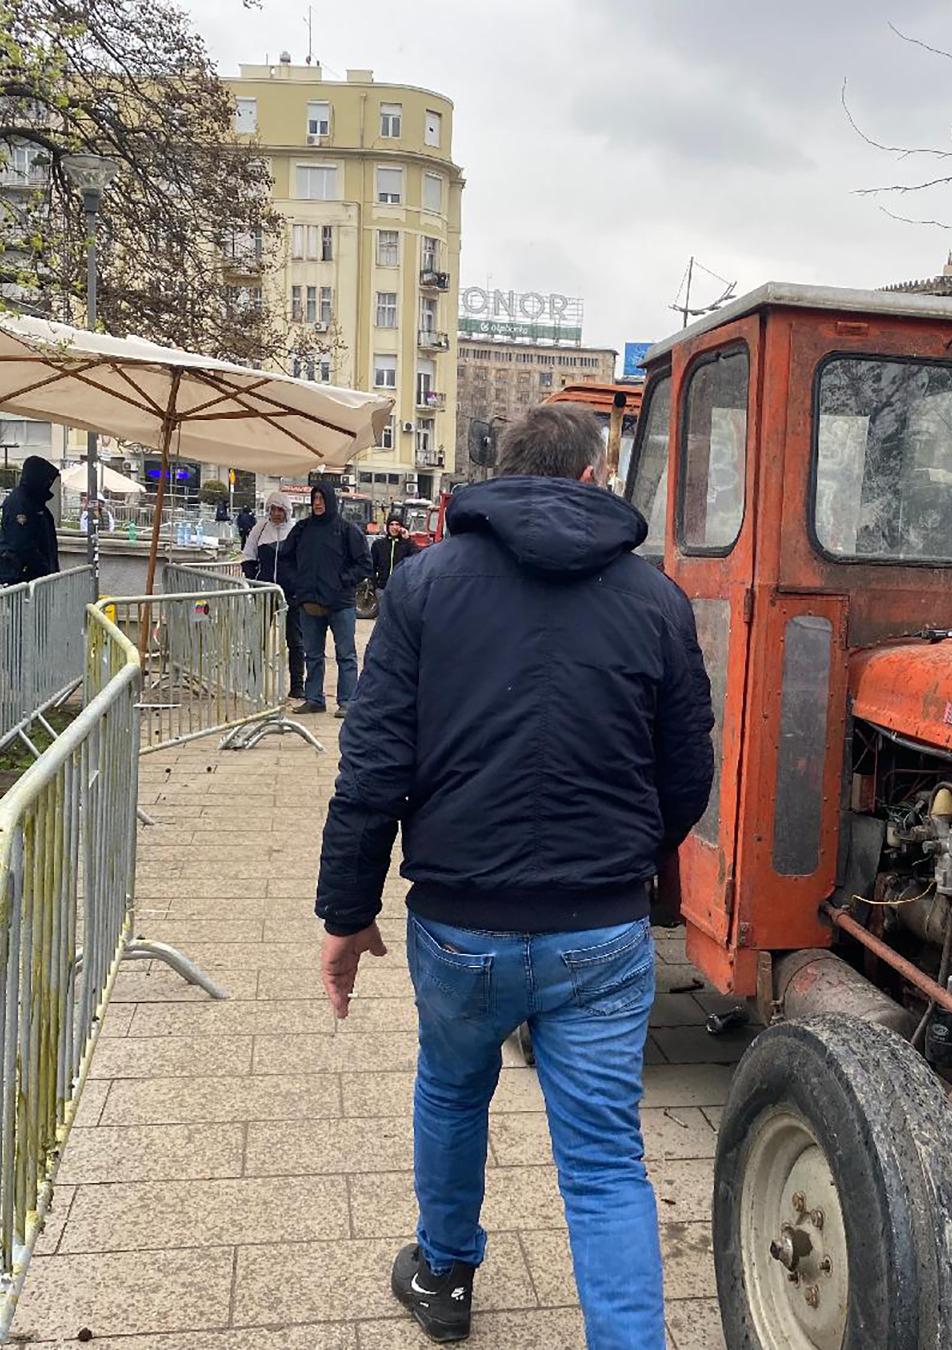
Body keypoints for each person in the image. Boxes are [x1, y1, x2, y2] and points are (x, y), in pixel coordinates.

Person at [314, 403, 714, 1346]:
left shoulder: (424, 585)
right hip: (602, 930)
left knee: (453, 1091)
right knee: (607, 1163)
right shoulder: (656, 600)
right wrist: (628, 859)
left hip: (461, 921)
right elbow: (688, 769)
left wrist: (346, 913)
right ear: (591, 477)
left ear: (502, 471)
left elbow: (374, 766)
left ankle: (445, 1278)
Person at [278, 483, 373, 716]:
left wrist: (343, 580)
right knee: (312, 654)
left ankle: (348, 701)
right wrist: (297, 582)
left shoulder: (347, 530)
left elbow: (365, 564)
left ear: (329, 500)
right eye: (315, 498)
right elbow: (286, 558)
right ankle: (314, 699)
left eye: (321, 498)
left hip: (340, 603)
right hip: (309, 602)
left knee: (346, 655)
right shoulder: (302, 529)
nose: (318, 502)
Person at [243, 491, 304, 699]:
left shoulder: (297, 531)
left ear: (287, 511)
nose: (276, 514)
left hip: (291, 594)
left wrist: (298, 587)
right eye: (273, 509)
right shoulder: (259, 530)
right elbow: (248, 556)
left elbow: (304, 562)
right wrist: (254, 582)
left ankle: (297, 685)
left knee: (295, 640)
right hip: (265, 592)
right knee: (258, 638)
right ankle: (252, 682)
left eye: (280, 510)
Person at [0, 454, 61, 585]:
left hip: (36, 577)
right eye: (47, 481)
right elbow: (21, 544)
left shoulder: (35, 503)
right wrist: (44, 568)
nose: (49, 485)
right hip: (23, 578)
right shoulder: (19, 504)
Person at [371, 511, 421, 591]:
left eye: (397, 524)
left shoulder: (406, 545)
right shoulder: (378, 544)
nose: (394, 527)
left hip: (401, 589)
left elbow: (416, 558)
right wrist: (374, 584)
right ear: (387, 527)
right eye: (391, 524)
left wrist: (407, 540)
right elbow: (372, 565)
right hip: (382, 587)